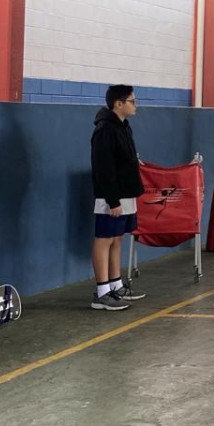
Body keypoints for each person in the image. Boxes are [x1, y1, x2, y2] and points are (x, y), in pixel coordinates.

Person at [89, 85, 148, 310]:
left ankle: (116, 285)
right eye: (132, 101)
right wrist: (112, 200)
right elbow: (103, 168)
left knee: (118, 238)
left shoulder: (124, 126)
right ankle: (102, 292)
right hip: (112, 196)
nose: (135, 105)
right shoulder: (104, 130)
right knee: (104, 239)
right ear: (118, 104)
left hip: (127, 192)